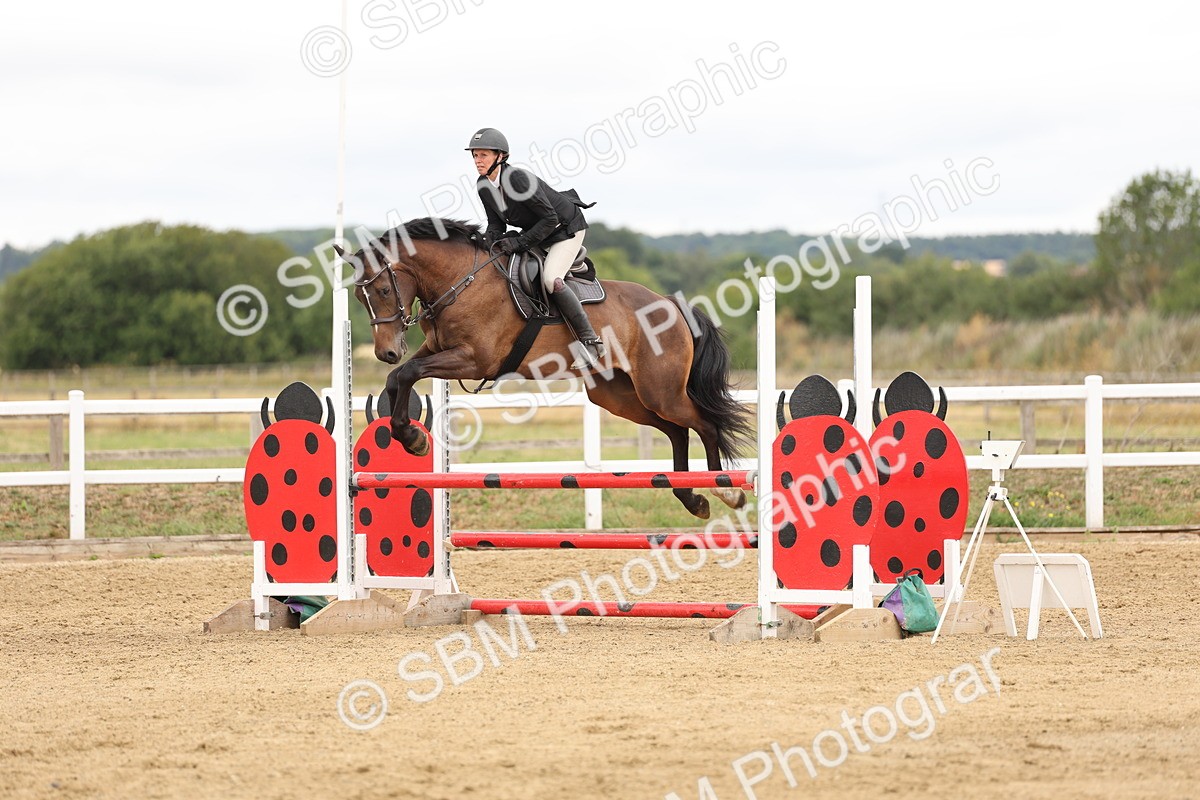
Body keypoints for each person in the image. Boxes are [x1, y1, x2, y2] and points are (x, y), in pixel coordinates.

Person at [467, 127, 607, 369]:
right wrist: (485, 245)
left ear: (500, 156)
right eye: (475, 156)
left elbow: (550, 219)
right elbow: (495, 223)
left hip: (564, 229)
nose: (478, 161)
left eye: (483, 155)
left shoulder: (518, 179)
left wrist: (519, 243)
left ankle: (590, 341)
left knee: (552, 279)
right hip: (540, 231)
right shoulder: (483, 185)